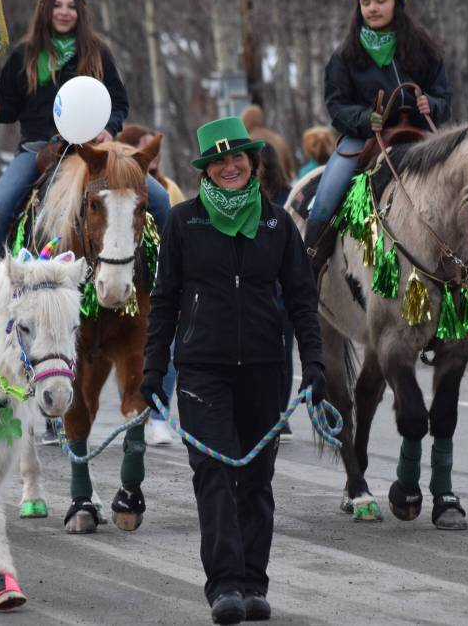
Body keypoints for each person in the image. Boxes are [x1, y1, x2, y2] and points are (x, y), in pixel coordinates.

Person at [141, 117, 325, 624]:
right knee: (217, 475)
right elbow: (164, 303)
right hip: (202, 371)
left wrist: (313, 364)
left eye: (237, 158)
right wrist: (154, 370)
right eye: (218, 160)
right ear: (205, 168)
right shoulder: (183, 223)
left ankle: (253, 583)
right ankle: (224, 586)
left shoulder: (276, 224)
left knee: (257, 481)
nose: (229, 167)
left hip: (266, 368)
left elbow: (303, 302)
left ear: (253, 162)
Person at [0, 0, 170, 255]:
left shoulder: (97, 52)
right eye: (58, 5)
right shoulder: (24, 55)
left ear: (80, 13)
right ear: (46, 9)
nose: (64, 12)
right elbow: (8, 110)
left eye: (72, 7)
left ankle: (169, 274)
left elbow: (119, 102)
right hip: (39, 151)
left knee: (161, 199)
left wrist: (109, 128)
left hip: (94, 150)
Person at [304, 0, 452, 274]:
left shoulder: (425, 49)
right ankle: (309, 262)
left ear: (397, 3)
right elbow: (336, 105)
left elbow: (443, 95)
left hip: (419, 135)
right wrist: (365, 118)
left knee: (463, 185)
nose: (373, 8)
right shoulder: (344, 55)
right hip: (364, 138)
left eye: (380, 1)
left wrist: (432, 105)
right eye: (366, 2)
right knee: (328, 192)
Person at [117, 123, 185, 447]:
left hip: (146, 270)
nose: (153, 155)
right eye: (144, 147)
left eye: (152, 150)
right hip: (68, 148)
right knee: (5, 202)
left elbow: (178, 221)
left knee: (162, 338)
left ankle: (158, 415)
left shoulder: (166, 188)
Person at [259, 144, 297, 443]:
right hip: (258, 292)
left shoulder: (288, 200)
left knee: (283, 355)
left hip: (281, 293)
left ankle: (279, 415)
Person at [240, 104, 296, 183]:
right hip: (281, 186)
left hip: (259, 190)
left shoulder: (246, 143)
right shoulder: (277, 139)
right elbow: (289, 170)